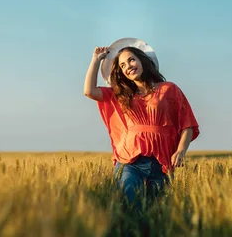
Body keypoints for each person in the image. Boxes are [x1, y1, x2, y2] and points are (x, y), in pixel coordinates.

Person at [83, 42, 200, 213]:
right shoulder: (120, 94)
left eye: (131, 60)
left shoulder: (169, 89)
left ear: (143, 60)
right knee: (130, 210)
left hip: (161, 163)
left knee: (157, 213)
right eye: (122, 65)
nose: (128, 66)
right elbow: (89, 91)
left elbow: (187, 124)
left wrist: (181, 151)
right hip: (129, 162)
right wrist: (95, 60)